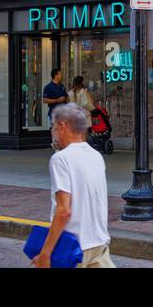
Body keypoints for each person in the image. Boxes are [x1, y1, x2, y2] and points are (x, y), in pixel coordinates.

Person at [33, 104, 114, 268]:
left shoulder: (60, 159)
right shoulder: (96, 156)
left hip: (73, 247)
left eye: (54, 126)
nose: (53, 131)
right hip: (99, 244)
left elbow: (64, 211)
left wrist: (45, 253)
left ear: (62, 126)